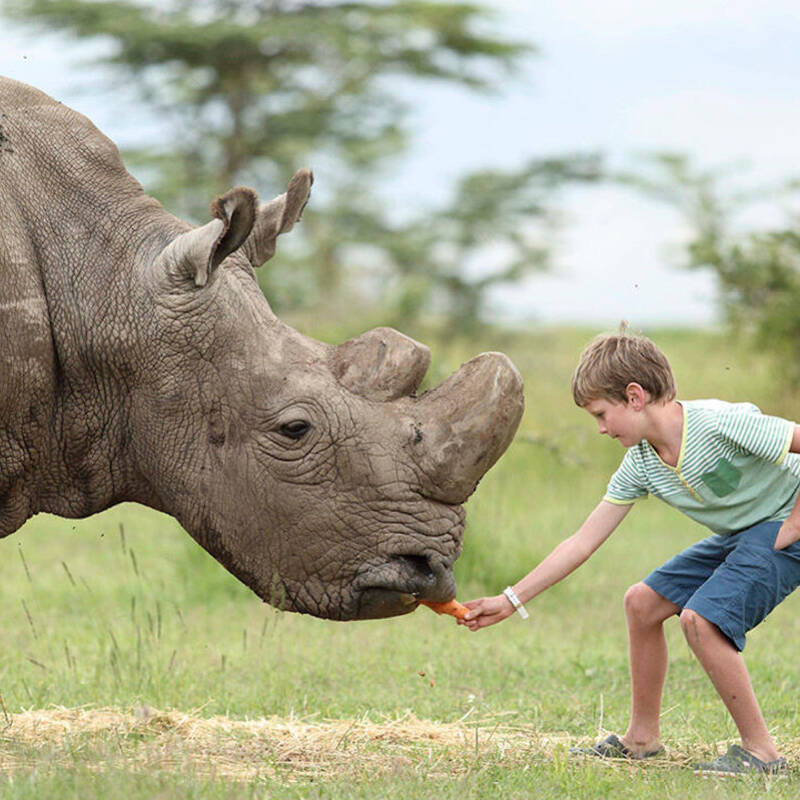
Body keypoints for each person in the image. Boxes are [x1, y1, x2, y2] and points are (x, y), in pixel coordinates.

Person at [460, 326, 800, 776]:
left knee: (702, 620)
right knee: (641, 603)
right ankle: (641, 739)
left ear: (635, 396)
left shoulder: (718, 424)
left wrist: (795, 521)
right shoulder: (641, 462)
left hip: (785, 525)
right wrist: (511, 599)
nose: (600, 428)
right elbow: (582, 541)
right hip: (745, 532)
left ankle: (762, 753)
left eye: (602, 414)